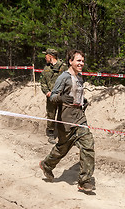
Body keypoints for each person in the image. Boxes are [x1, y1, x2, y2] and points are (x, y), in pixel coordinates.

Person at [39, 50, 95, 193]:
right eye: (78, 60)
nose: (81, 63)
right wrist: (61, 98)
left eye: (82, 61)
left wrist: (83, 101)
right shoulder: (63, 77)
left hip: (80, 118)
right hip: (66, 119)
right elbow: (53, 97)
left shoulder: (80, 77)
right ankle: (46, 165)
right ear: (70, 61)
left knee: (88, 145)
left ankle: (84, 181)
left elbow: (76, 95)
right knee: (62, 148)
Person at [40, 48, 67, 144]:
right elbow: (43, 83)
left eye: (46, 55)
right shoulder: (46, 68)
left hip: (61, 96)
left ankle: (62, 135)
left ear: (50, 56)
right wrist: (47, 92)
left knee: (62, 115)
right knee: (51, 114)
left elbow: (68, 81)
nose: (45, 57)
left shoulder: (63, 67)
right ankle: (51, 134)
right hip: (50, 97)